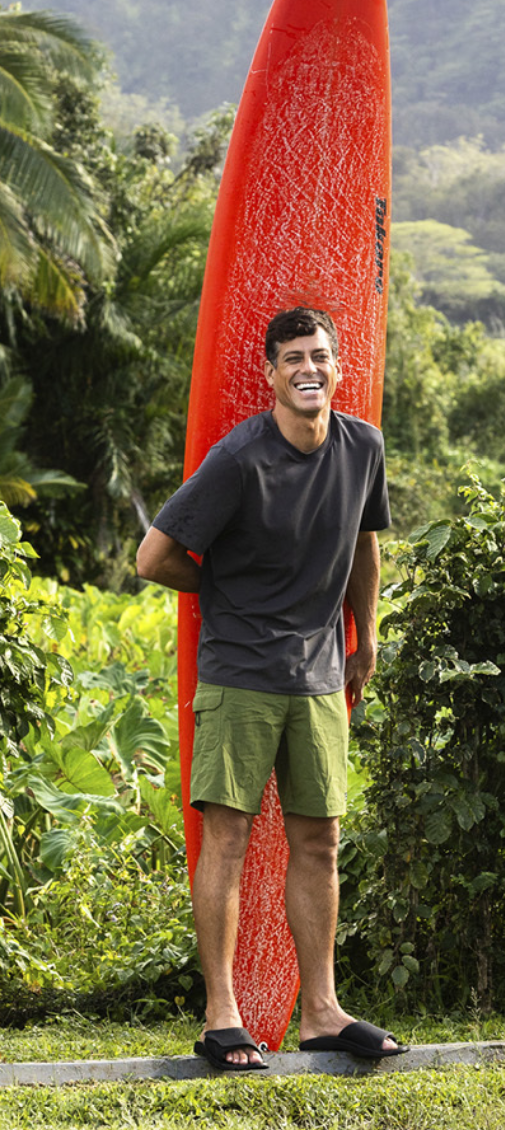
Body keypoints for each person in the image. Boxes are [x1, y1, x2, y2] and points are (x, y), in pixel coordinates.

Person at [136, 307, 405, 1071]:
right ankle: (223, 1016)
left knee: (319, 840)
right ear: (272, 373)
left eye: (319, 355)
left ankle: (321, 1011)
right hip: (241, 674)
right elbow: (153, 557)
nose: (308, 368)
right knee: (229, 838)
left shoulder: (362, 447)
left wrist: (366, 637)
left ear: (338, 366)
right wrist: (225, 598)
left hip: (320, 675)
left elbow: (364, 546)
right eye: (293, 358)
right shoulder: (240, 457)